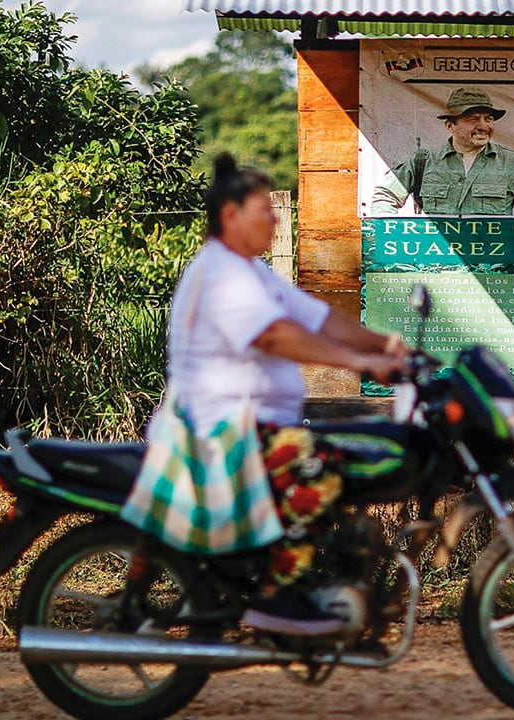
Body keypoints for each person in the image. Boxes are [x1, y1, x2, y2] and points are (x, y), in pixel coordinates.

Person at [168, 152, 409, 634]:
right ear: (231, 216)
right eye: (266, 209)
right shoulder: (222, 272)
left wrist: (389, 345)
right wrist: (362, 362)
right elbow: (276, 336)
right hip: (221, 430)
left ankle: (316, 577)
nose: (276, 218)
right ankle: (278, 598)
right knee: (317, 464)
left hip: (251, 426)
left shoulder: (253, 272)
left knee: (348, 452)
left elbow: (319, 318)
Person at [370, 86, 514, 216]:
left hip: (492, 266)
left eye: (488, 119)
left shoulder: (512, 163)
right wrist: (394, 235)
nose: (483, 126)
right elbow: (385, 196)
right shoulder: (423, 161)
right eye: (473, 118)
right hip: (435, 263)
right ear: (450, 125)